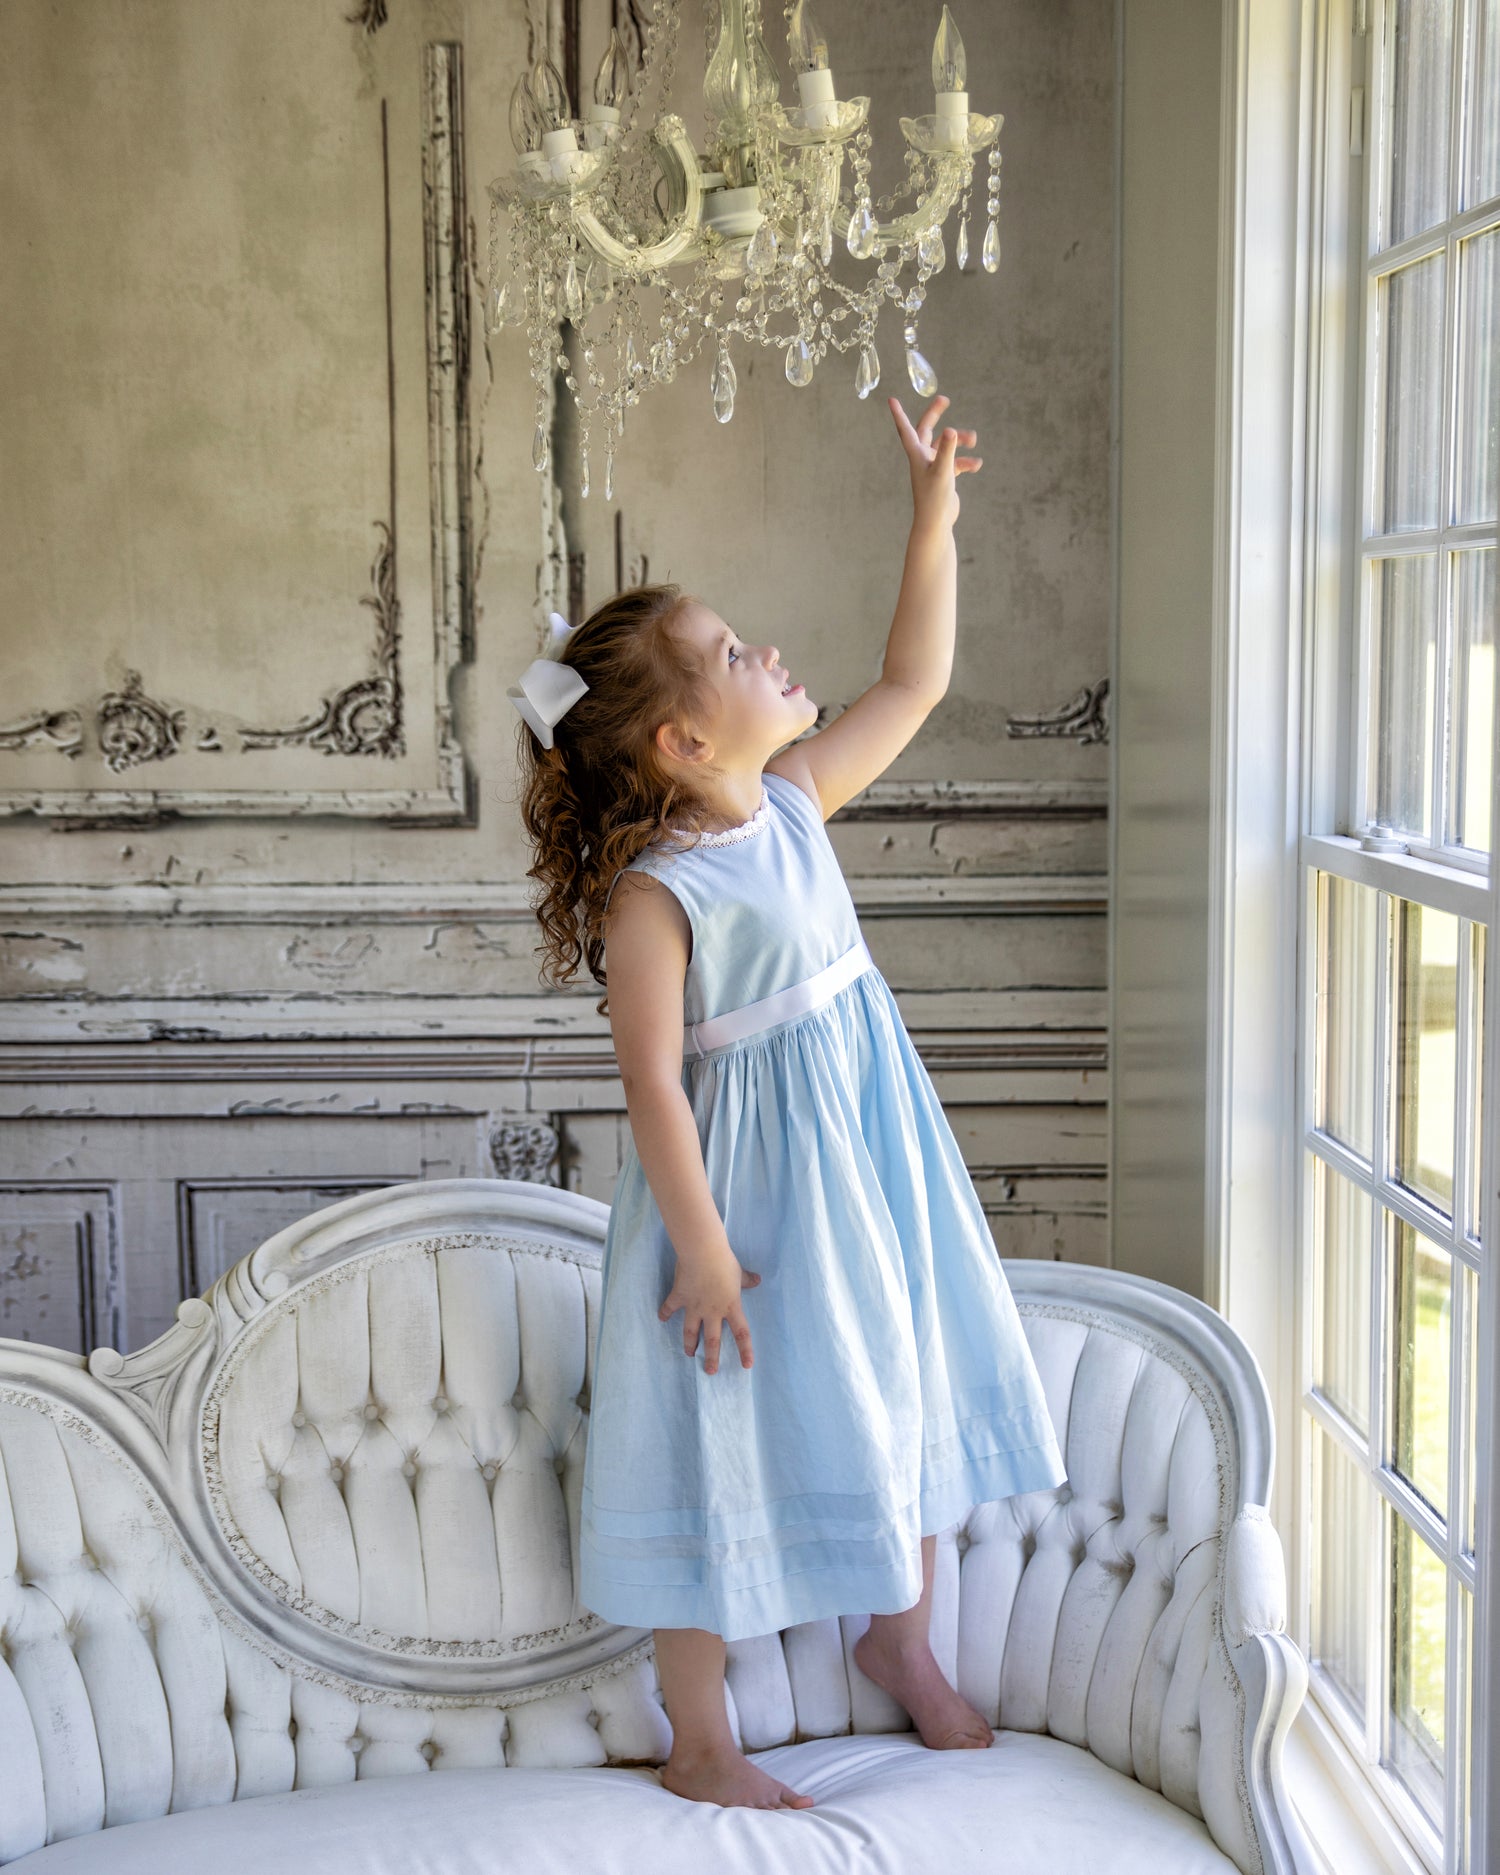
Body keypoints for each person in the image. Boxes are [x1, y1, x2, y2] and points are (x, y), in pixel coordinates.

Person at [509, 393, 1068, 1815]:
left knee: (900, 1384)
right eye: (729, 654)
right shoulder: (660, 899)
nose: (763, 651)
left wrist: (932, 516)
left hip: (863, 1179)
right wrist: (698, 1248)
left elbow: (914, 681)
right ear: (685, 745)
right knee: (706, 1449)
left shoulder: (801, 805)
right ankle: (701, 1734)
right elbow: (649, 1085)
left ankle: (900, 1633)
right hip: (739, 1218)